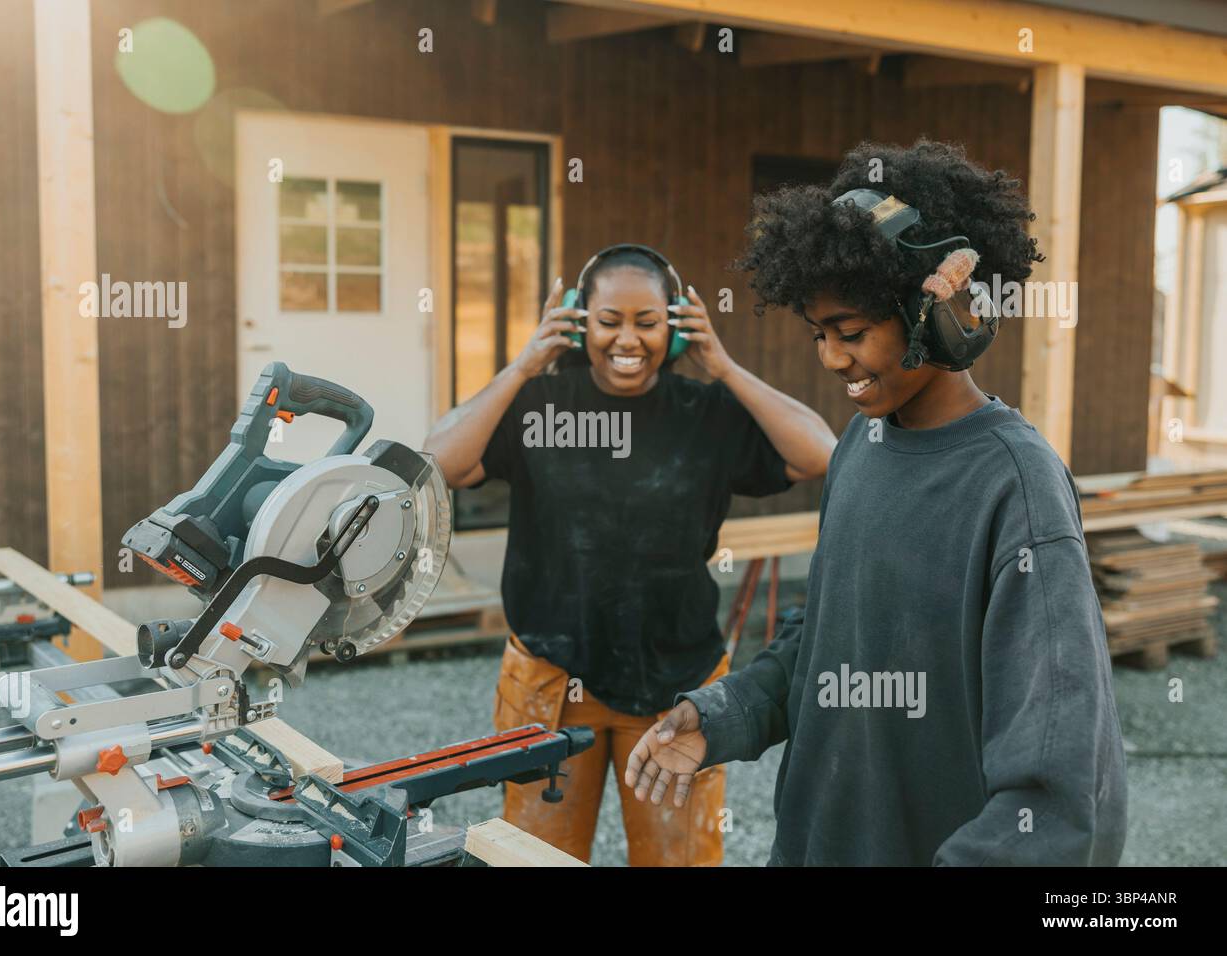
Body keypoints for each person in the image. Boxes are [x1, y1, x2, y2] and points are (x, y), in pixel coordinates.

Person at [625, 141, 1129, 866]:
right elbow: (830, 633)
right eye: (819, 334)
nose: (832, 359)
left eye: (852, 333)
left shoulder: (1016, 486)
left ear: (943, 309)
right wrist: (726, 714)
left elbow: (1060, 786)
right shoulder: (861, 447)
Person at [423, 244, 836, 865]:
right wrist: (522, 366)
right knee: (535, 859)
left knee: (680, 861)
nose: (628, 339)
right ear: (576, 319)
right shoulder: (539, 404)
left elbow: (820, 454)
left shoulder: (706, 413)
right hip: (551, 684)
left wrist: (722, 366)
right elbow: (440, 462)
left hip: (678, 686)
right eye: (609, 320)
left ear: (673, 325)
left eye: (647, 323)